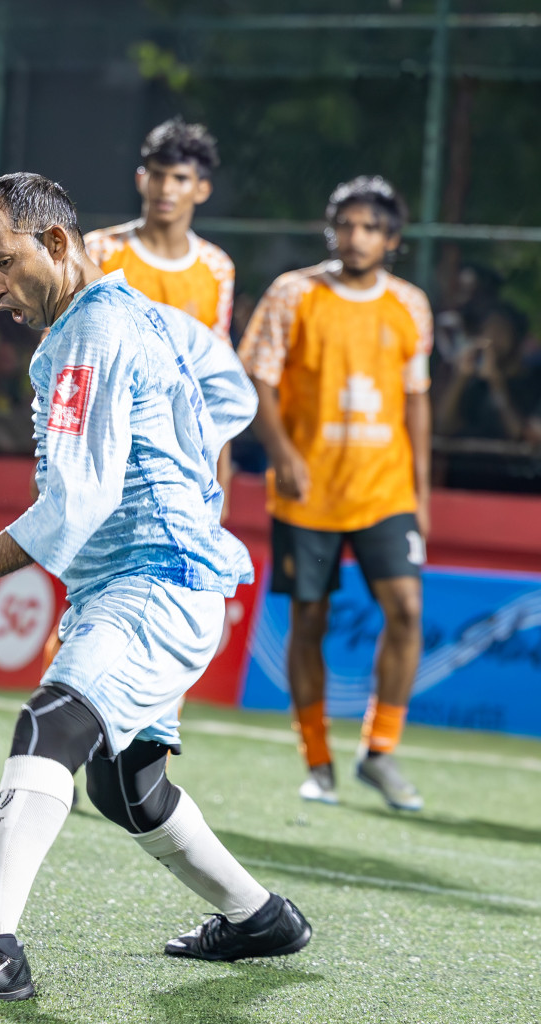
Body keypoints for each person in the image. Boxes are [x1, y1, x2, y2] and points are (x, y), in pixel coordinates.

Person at [0, 173, 308, 1002]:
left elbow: (78, 500)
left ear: (55, 242)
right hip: (156, 579)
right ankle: (260, 919)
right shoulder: (145, 315)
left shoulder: (87, 331)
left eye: (1, 264)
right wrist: (185, 464)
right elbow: (228, 388)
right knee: (127, 786)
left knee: (52, 723)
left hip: (153, 583)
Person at [237, 176, 432, 812]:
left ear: (392, 239)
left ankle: (380, 751)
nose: (356, 237)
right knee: (309, 622)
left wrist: (422, 492)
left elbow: (416, 401)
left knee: (407, 610)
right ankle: (318, 763)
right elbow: (256, 381)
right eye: (345, 225)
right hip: (308, 494)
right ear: (331, 232)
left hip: (385, 492)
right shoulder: (293, 294)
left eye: (370, 227)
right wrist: (283, 454)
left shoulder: (410, 305)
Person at [85, 117, 237, 514]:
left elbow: (213, 381)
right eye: (157, 174)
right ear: (141, 179)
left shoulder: (217, 268)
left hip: (179, 460)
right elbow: (64, 358)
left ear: (201, 189)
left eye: (180, 178)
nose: (166, 188)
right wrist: (50, 457)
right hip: (103, 451)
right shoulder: (100, 252)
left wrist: (221, 478)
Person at [434, 264, 540, 444]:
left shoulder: (534, 381)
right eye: (487, 331)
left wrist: (496, 384)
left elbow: (520, 435)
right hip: (467, 462)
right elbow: (442, 427)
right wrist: (460, 379)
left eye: (500, 331)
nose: (492, 340)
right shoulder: (474, 385)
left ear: (516, 336)